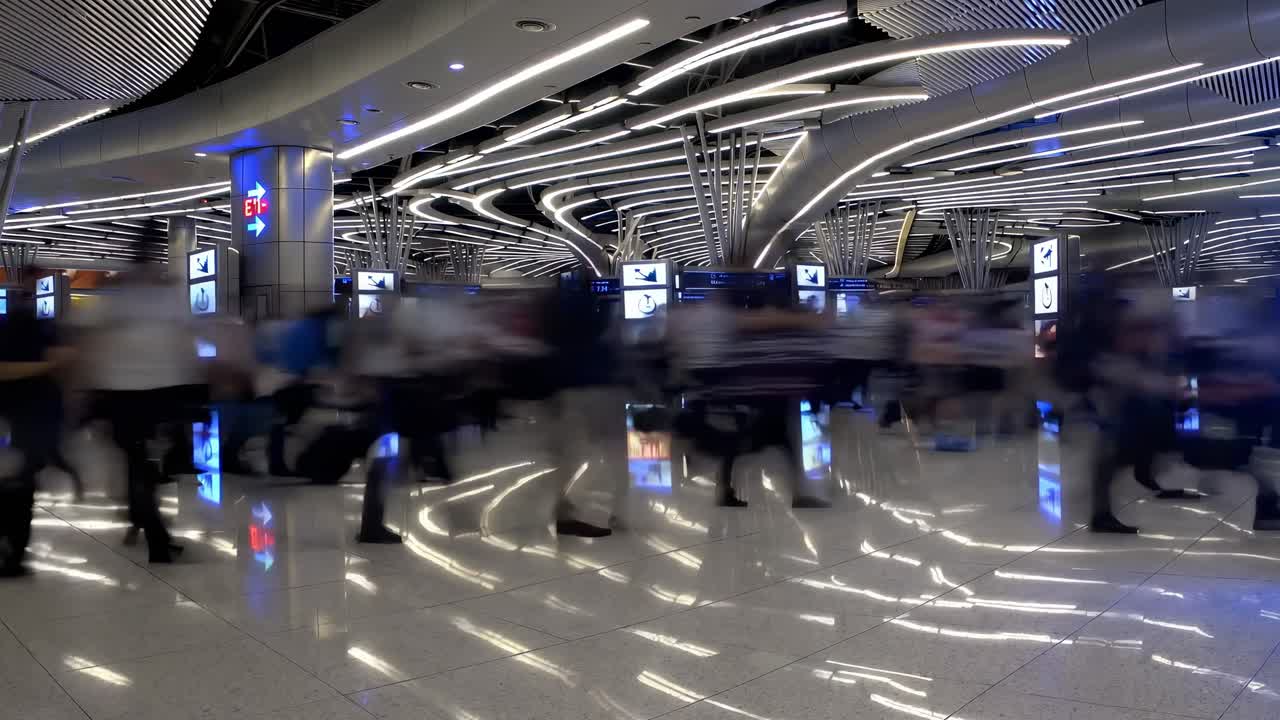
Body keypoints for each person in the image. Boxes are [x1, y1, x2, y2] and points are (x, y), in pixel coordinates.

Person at [79, 267, 201, 562]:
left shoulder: (113, 301)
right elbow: (185, 347)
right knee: (147, 469)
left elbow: (94, 348)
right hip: (158, 396)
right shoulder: (168, 301)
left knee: (138, 466)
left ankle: (145, 525)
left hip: (122, 397)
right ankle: (155, 536)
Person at [0, 290, 69, 576]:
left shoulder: (33, 330)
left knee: (16, 486)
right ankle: (14, 552)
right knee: (21, 489)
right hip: (27, 419)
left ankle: (12, 550)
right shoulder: (45, 331)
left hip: (17, 418)